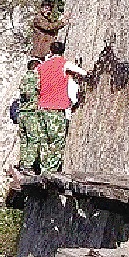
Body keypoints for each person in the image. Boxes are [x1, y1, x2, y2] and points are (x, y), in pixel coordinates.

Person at [37, 41, 86, 173]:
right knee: (57, 140)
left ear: (51, 51)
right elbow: (83, 73)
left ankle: (43, 168)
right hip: (56, 108)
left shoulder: (41, 66)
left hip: (42, 107)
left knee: (44, 140)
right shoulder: (63, 64)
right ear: (62, 51)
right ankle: (51, 170)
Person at [17, 58, 42, 174]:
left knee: (24, 140)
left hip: (21, 113)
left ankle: (22, 162)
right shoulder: (35, 78)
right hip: (31, 113)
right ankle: (28, 165)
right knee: (34, 139)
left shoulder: (23, 78)